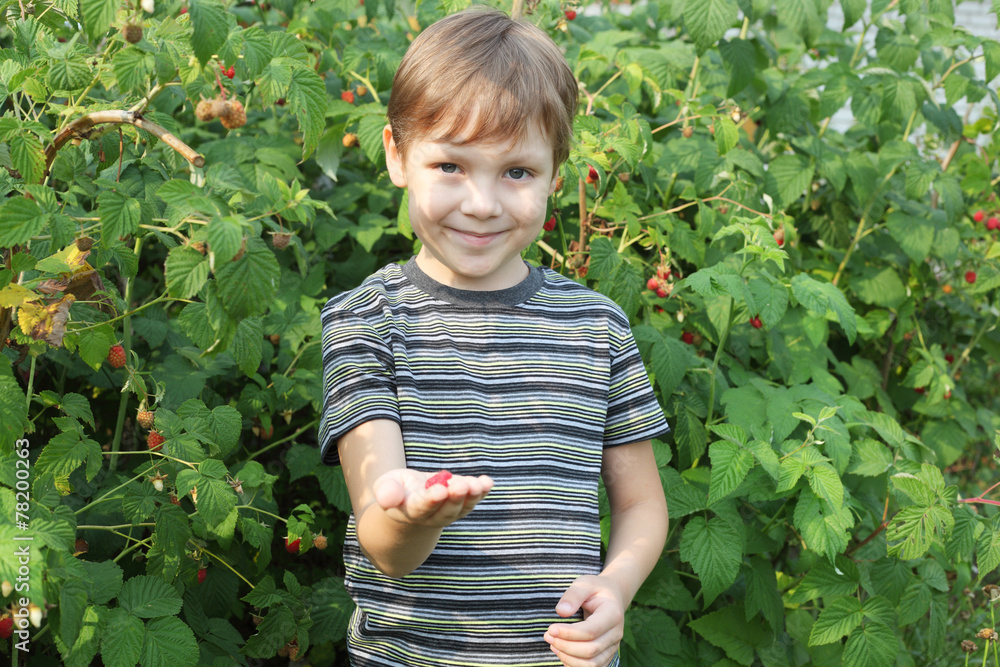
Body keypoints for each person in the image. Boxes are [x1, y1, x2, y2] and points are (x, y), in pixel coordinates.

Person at [318, 8, 669, 666]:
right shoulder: (368, 320)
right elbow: (383, 542)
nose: (481, 203)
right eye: (450, 164)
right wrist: (412, 516)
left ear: (556, 174)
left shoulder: (597, 326)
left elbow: (643, 503)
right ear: (397, 155)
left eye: (517, 172)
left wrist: (616, 586)